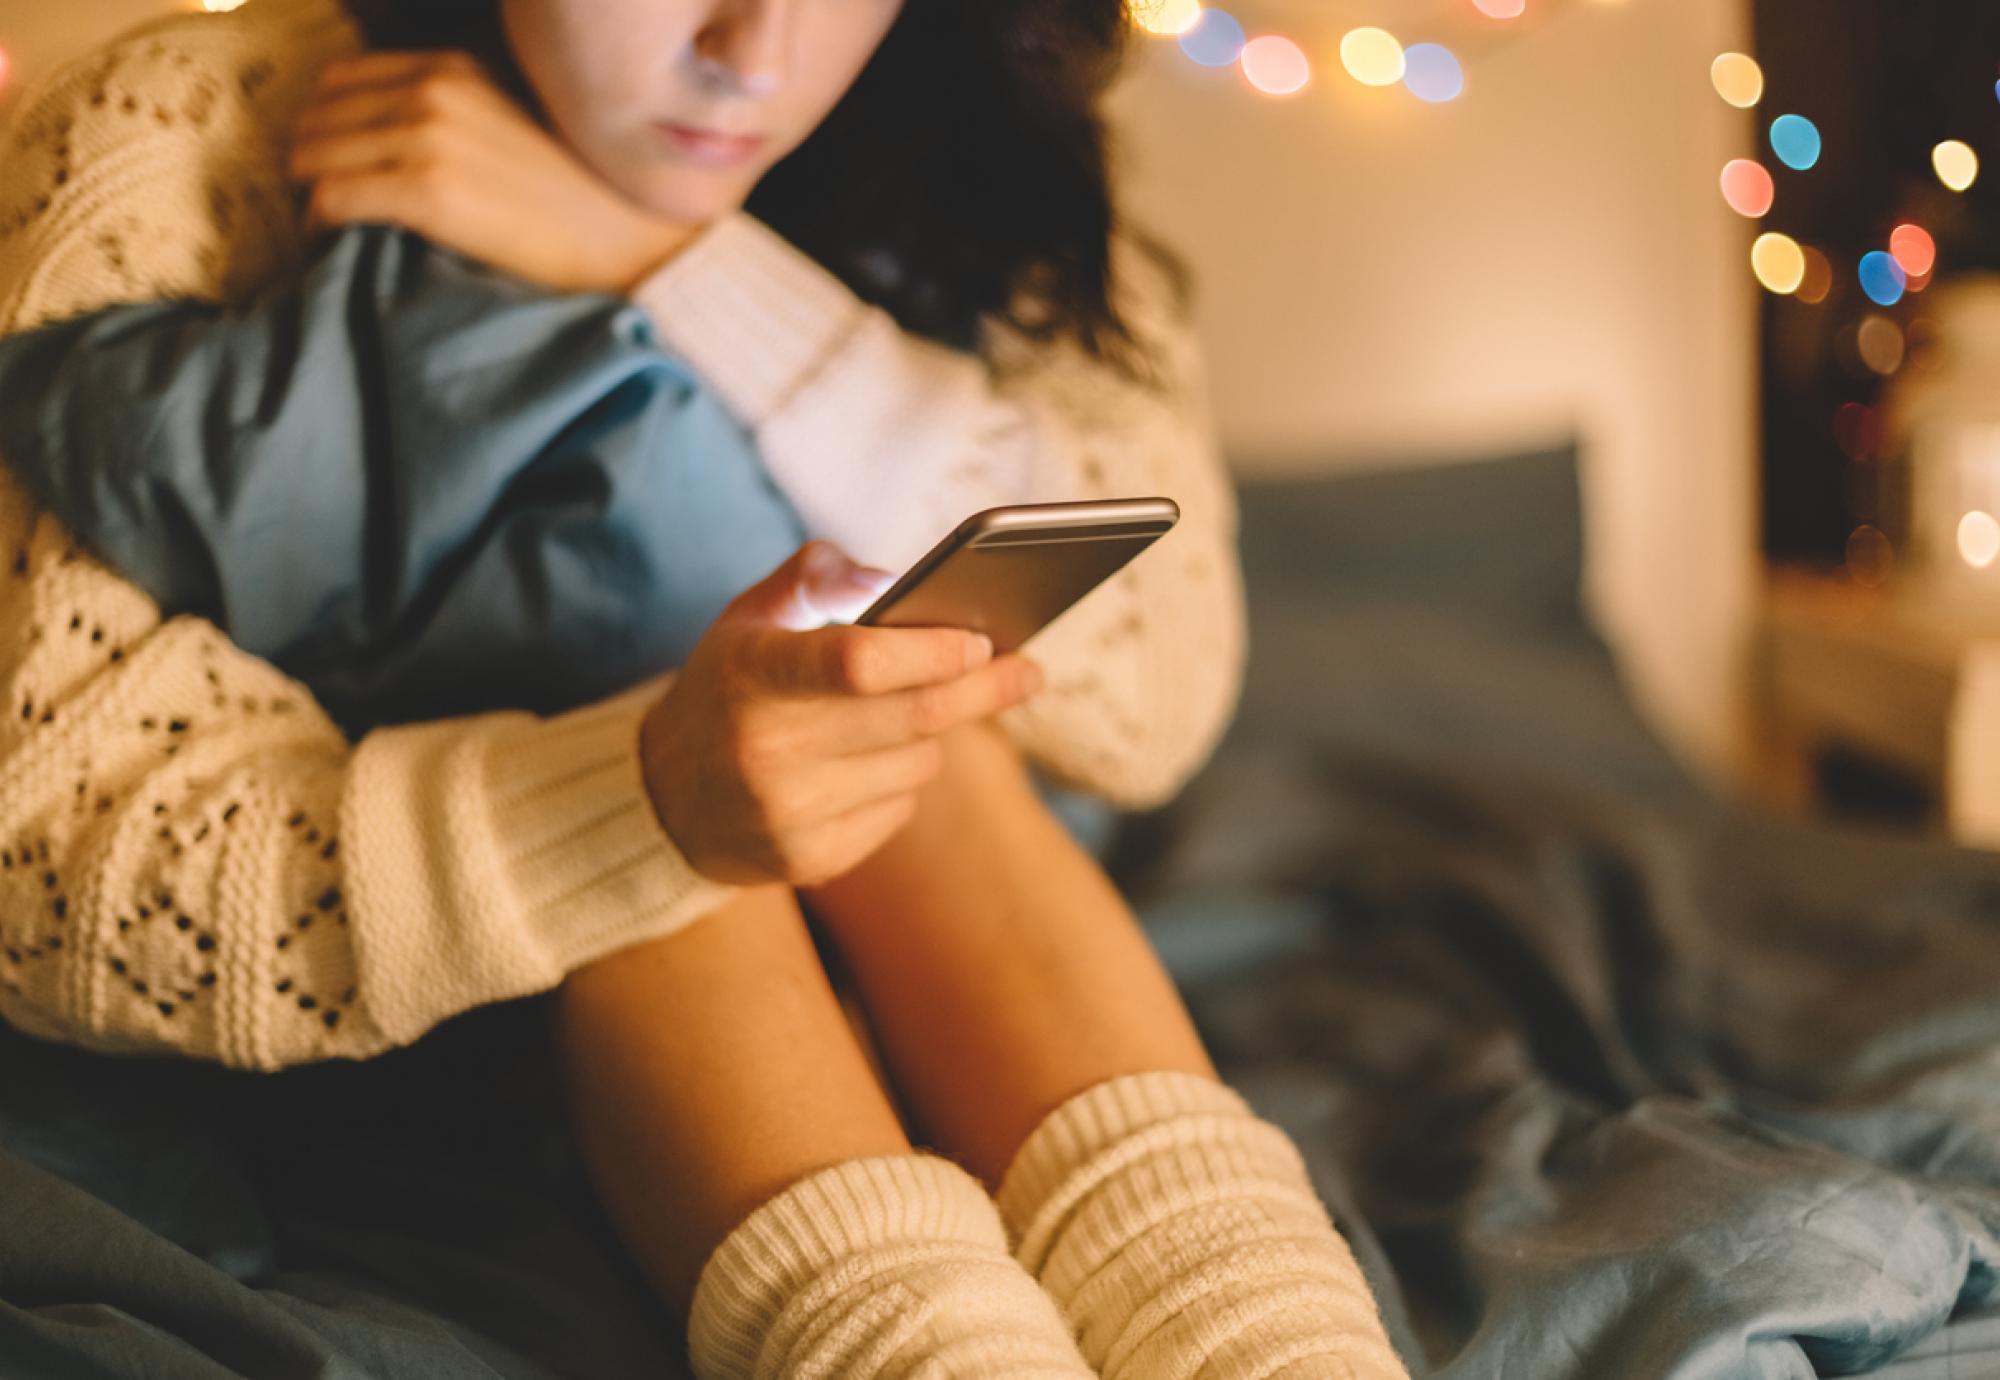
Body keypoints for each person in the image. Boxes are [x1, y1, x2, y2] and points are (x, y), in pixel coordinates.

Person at [0, 0, 1408, 1376]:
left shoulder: (987, 119)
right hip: (448, 966)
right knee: (704, 735)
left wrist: (663, 256)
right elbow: (46, 852)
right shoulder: (182, 125)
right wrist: (640, 795)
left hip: (939, 889)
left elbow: (1152, 696)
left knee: (899, 704)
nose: (754, 55)